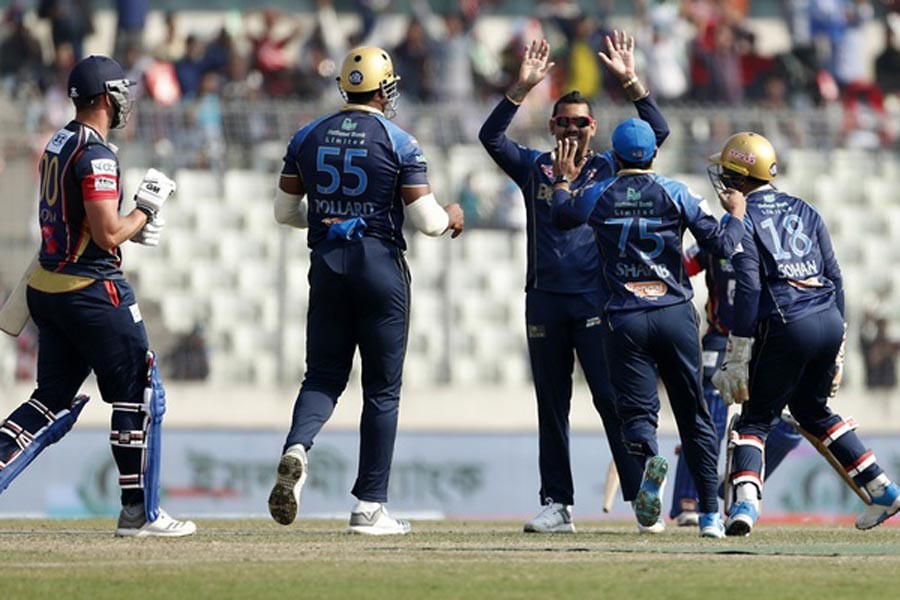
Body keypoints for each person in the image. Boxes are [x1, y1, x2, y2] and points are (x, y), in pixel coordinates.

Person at [267, 46, 464, 535]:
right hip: (379, 267)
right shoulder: (399, 140)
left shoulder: (308, 134)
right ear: (383, 89)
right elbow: (426, 220)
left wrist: (332, 221)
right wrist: (454, 217)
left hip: (328, 266)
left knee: (322, 377)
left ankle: (297, 446)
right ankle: (369, 505)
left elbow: (285, 213)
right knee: (381, 391)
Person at [479, 33, 667, 534]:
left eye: (580, 122)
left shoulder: (609, 167)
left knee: (611, 401)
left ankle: (640, 501)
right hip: (544, 300)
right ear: (552, 125)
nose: (571, 129)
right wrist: (519, 88)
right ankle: (557, 503)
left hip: (594, 302)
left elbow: (658, 132)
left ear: (593, 127)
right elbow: (491, 138)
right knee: (552, 404)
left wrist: (630, 80)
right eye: (562, 122)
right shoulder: (534, 167)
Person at [0, 55, 194, 537]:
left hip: (49, 285)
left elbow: (82, 220)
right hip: (91, 289)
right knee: (140, 392)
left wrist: (130, 224)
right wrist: (144, 211)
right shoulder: (98, 154)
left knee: (51, 401)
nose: (126, 101)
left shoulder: (60, 141)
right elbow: (108, 234)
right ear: (107, 97)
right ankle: (139, 513)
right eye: (122, 93)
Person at [551, 118, 747, 538]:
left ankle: (650, 480)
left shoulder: (599, 192)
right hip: (674, 313)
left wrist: (565, 181)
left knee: (638, 417)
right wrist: (735, 215)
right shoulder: (677, 192)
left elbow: (563, 216)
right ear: (654, 154)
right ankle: (711, 516)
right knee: (693, 413)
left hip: (624, 317)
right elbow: (723, 246)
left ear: (615, 155)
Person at [709, 131, 900, 535]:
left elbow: (748, 286)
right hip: (827, 320)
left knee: (754, 421)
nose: (723, 182)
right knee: (813, 413)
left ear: (741, 177)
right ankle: (882, 490)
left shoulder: (743, 218)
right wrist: (841, 342)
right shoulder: (804, 208)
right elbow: (835, 276)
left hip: (785, 322)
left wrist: (739, 350)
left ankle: (744, 506)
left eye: (728, 174)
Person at [668, 243, 802, 526]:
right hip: (721, 340)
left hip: (764, 341)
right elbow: (677, 269)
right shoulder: (715, 238)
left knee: (788, 428)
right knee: (709, 417)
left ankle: (733, 483)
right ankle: (686, 500)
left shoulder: (770, 239)